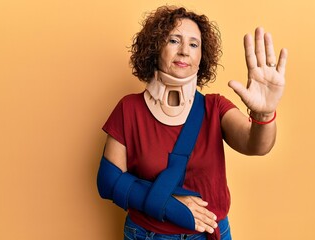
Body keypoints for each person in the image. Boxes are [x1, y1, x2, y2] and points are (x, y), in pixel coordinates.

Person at [97, 5, 287, 240]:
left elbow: (255, 144)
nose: (185, 51)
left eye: (194, 44)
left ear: (201, 57)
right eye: (174, 41)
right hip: (148, 234)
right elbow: (108, 181)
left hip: (209, 232)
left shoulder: (215, 107)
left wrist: (264, 115)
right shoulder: (129, 109)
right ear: (155, 48)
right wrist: (168, 204)